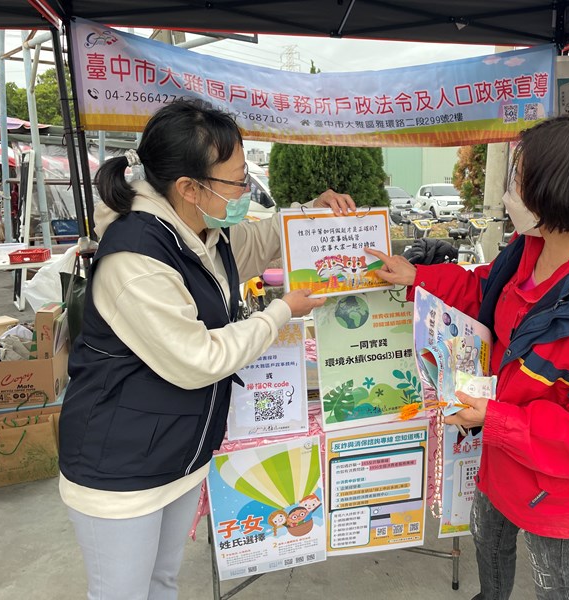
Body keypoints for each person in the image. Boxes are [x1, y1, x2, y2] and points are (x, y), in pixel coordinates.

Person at [58, 98, 354, 600]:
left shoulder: (199, 232)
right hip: (120, 469)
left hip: (176, 453)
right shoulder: (138, 259)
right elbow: (199, 360)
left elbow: (258, 241)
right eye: (238, 181)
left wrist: (309, 214)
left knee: (162, 583)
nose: (246, 192)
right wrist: (281, 311)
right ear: (190, 188)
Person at [368, 115, 569, 599]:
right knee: (487, 543)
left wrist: (496, 418)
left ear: (557, 192)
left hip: (558, 489)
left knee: (561, 585)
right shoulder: (531, 247)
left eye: (519, 177)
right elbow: (483, 290)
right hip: (500, 459)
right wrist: (417, 277)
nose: (510, 191)